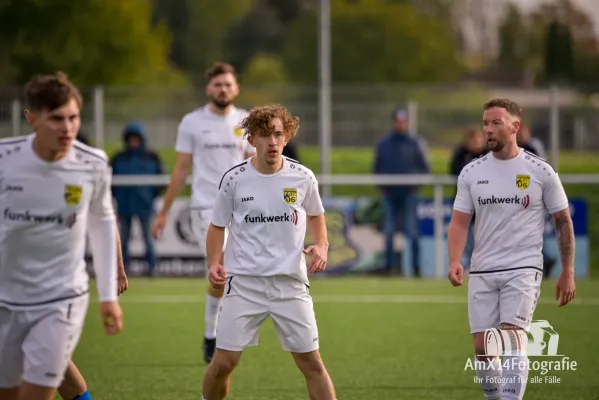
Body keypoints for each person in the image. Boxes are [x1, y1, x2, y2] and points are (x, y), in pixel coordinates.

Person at [0, 72, 124, 400]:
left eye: (73, 118)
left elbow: (102, 221)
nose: (67, 128)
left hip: (62, 297)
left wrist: (109, 295)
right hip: (6, 297)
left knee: (38, 392)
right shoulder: (5, 160)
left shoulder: (92, 163)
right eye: (56, 119)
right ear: (32, 118)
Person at [201, 104, 336, 400]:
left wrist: (322, 244)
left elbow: (315, 214)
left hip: (290, 284)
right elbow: (216, 226)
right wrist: (213, 263)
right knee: (224, 363)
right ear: (251, 140)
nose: (272, 141)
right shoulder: (234, 180)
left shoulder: (303, 177)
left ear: (286, 137)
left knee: (312, 363)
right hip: (245, 284)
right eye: (264, 134)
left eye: (277, 134)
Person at [447, 98, 576, 400]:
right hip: (482, 268)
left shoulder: (541, 171)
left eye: (496, 123)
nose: (488, 129)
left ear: (515, 127)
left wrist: (567, 270)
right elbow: (459, 222)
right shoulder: (471, 172)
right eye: (485, 123)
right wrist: (455, 259)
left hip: (523, 266)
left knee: (512, 336)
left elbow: (563, 221)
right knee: (481, 347)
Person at [151, 62, 255, 364]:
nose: (223, 89)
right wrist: (164, 212)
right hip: (205, 208)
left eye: (228, 84)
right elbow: (181, 168)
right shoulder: (192, 122)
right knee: (220, 271)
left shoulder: (246, 120)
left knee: (232, 274)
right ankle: (215, 334)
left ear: (236, 88)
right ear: (208, 88)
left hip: (242, 207)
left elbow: (254, 165)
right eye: (217, 84)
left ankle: (216, 333)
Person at [373, 108, 430, 277]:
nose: (400, 124)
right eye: (398, 121)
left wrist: (415, 186)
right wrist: (382, 187)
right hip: (389, 194)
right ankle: (390, 267)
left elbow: (424, 169)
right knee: (389, 231)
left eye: (403, 121)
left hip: (409, 194)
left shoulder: (416, 143)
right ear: (393, 122)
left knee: (412, 231)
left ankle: (416, 268)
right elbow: (377, 168)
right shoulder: (383, 143)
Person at [111, 121, 164, 276]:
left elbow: (161, 181)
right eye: (131, 139)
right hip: (124, 205)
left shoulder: (151, 157)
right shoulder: (119, 158)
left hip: (145, 205)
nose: (134, 142)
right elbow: (111, 182)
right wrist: (118, 197)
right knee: (123, 240)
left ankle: (152, 268)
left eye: (137, 139)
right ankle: (123, 269)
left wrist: (150, 196)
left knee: (148, 239)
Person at [517, 124, 557, 278]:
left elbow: (543, 168)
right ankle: (544, 262)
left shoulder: (533, 147)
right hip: (518, 200)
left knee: (536, 232)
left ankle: (543, 261)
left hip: (534, 198)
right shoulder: (511, 150)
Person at [449, 128, 487, 268]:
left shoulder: (490, 155)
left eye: (479, 139)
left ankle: (481, 262)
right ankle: (466, 262)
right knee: (462, 233)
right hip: (464, 202)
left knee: (484, 234)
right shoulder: (461, 154)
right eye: (473, 139)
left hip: (483, 202)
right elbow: (453, 171)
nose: (476, 142)